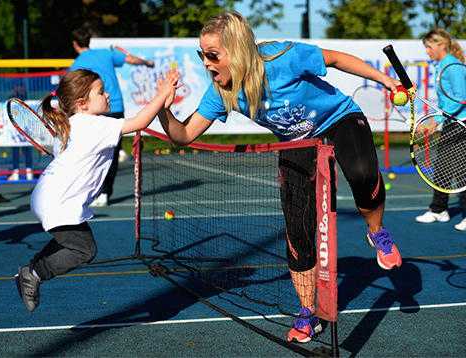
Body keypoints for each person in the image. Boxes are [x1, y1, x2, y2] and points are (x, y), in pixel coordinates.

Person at [156, 11, 403, 343]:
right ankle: (307, 313)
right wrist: (162, 108)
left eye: (213, 55)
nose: (207, 63)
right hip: (298, 142)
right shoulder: (220, 93)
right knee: (298, 229)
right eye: (203, 56)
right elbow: (184, 135)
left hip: (339, 119)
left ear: (237, 49)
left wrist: (384, 79)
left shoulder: (283, 57)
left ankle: (377, 232)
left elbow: (336, 59)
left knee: (363, 177)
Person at [14, 68, 178, 312]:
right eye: (100, 92)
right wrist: (162, 92)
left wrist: (163, 99)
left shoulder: (72, 124)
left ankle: (32, 270)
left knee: (73, 242)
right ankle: (33, 273)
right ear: (82, 103)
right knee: (84, 249)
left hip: (49, 197)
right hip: (59, 201)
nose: (107, 95)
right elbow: (140, 122)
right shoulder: (93, 124)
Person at [70, 26, 155, 207]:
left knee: (93, 152)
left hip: (94, 111)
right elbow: (132, 59)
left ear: (75, 45)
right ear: (88, 41)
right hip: (115, 107)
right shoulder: (106, 54)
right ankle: (104, 192)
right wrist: (147, 63)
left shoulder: (76, 64)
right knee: (111, 154)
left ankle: (96, 191)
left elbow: (72, 92)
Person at [415, 29, 466, 231]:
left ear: (440, 45)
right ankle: (438, 210)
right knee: (442, 167)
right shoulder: (443, 66)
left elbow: (461, 98)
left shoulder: (452, 67)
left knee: (463, 172)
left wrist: (436, 119)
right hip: (452, 122)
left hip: (462, 123)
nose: (427, 51)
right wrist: (437, 118)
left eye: (429, 46)